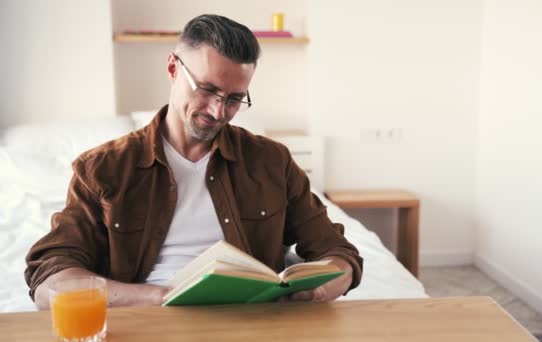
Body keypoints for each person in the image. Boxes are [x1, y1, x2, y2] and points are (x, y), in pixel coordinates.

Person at [25, 14, 363, 309]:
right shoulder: (101, 169)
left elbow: (338, 254)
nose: (217, 112)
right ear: (173, 68)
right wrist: (160, 297)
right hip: (146, 320)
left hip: (253, 322)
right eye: (206, 90)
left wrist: (319, 290)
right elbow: (51, 278)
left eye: (233, 100)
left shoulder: (271, 161)